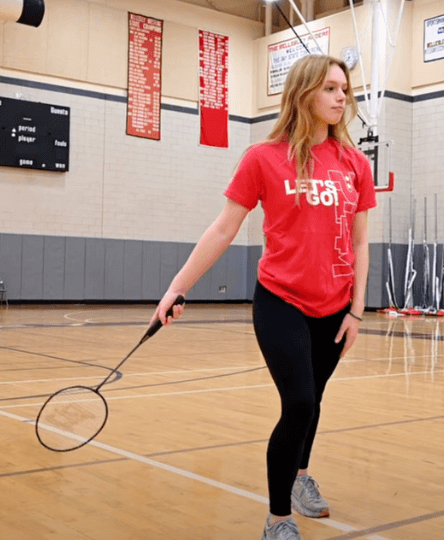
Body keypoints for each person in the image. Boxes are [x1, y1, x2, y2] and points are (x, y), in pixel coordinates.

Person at [151, 54, 376, 540]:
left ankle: (299, 478)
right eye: (331, 88)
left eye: (345, 89)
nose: (342, 97)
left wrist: (358, 310)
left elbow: (360, 242)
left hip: (336, 307)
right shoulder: (264, 158)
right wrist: (177, 287)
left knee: (312, 402)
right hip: (282, 301)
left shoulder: (356, 164)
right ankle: (277, 518)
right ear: (304, 93)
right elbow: (224, 227)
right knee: (298, 402)